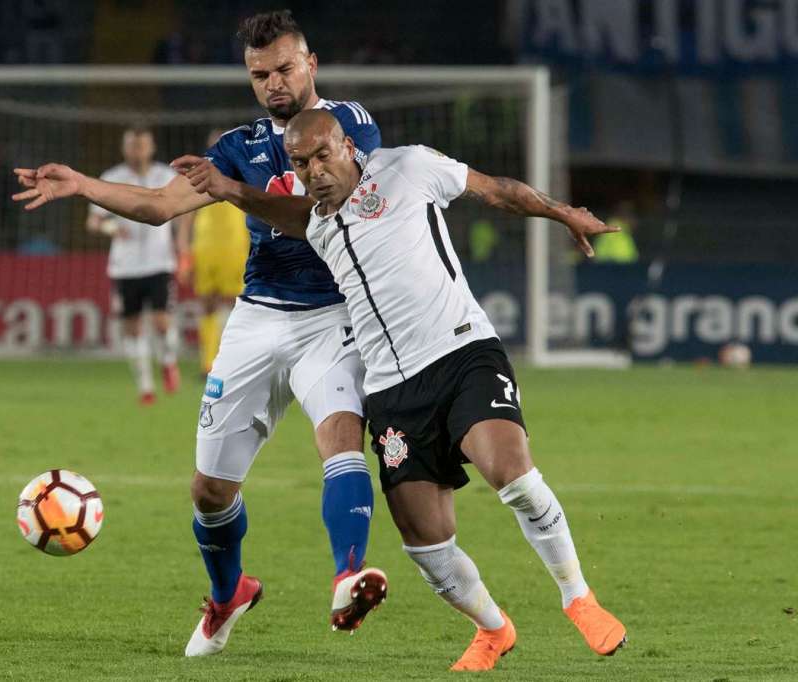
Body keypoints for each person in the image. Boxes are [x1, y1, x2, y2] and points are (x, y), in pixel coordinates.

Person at [174, 109, 627, 671]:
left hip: (463, 354)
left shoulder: (409, 166)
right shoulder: (314, 224)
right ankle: (492, 629)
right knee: (426, 546)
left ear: (347, 145)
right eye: (301, 164)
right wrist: (224, 188)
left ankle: (577, 597)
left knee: (511, 473)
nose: (314, 171)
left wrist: (562, 213)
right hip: (391, 389)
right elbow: (276, 210)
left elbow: (496, 191)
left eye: (323, 156)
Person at [13, 10, 387, 656]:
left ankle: (348, 576)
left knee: (341, 438)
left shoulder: (348, 127)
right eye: (259, 74)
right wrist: (81, 185)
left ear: (311, 65)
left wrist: (233, 192)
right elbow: (159, 207)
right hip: (257, 317)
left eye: (284, 69)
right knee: (210, 490)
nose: (273, 83)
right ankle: (227, 595)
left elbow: (324, 211)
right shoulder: (237, 147)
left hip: (334, 313)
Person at [86, 127, 188, 404]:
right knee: (132, 327)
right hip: (125, 266)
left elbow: (184, 216)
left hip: (159, 263)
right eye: (132, 146)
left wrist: (182, 247)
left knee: (161, 321)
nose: (137, 151)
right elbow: (93, 221)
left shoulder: (165, 177)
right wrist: (110, 229)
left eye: (142, 145)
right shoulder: (111, 179)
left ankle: (168, 360)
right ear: (124, 148)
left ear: (151, 147)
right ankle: (146, 387)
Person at [183, 129, 250, 375]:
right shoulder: (198, 175)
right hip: (205, 247)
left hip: (236, 246)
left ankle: (233, 360)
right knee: (207, 304)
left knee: (239, 306)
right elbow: (185, 215)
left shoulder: (246, 171)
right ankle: (208, 362)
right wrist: (183, 251)